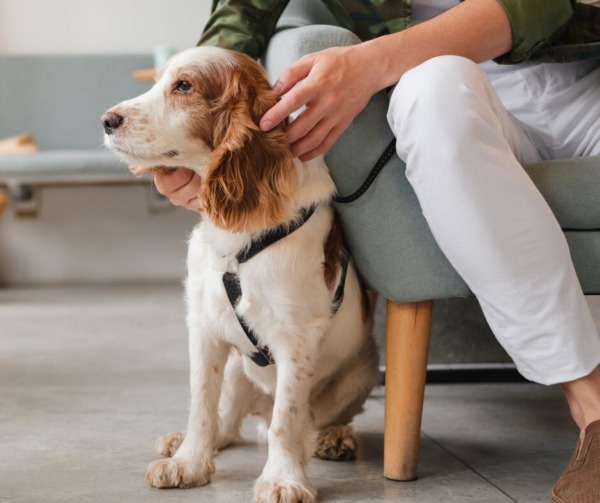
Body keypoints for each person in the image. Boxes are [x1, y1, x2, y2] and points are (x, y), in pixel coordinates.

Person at [154, 1, 600, 501]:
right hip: (451, 93)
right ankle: (593, 406)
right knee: (432, 88)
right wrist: (195, 135)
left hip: (587, 74)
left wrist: (373, 61)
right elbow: (241, 15)